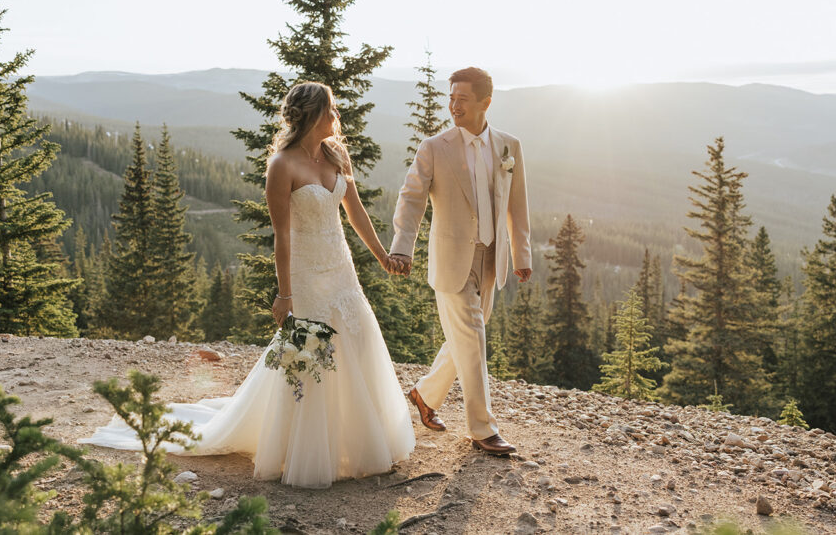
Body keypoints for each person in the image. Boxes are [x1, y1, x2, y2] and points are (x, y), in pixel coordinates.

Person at [81, 82, 415, 489]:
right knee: (308, 359)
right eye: (331, 110)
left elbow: (355, 211)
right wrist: (285, 293)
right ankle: (303, 449)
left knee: (356, 342)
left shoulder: (337, 154)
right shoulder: (282, 165)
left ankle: (359, 439)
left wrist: (382, 256)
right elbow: (283, 236)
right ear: (312, 115)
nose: (336, 117)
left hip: (341, 270)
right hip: (307, 276)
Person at [389, 67, 532, 455]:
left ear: (485, 102)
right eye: (450, 97)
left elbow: (516, 205)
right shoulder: (435, 146)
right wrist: (403, 246)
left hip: (491, 258)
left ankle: (423, 394)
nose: (453, 106)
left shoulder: (508, 147)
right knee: (472, 340)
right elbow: (412, 197)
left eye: (462, 99)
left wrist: (521, 253)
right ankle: (482, 429)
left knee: (464, 340)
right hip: (452, 259)